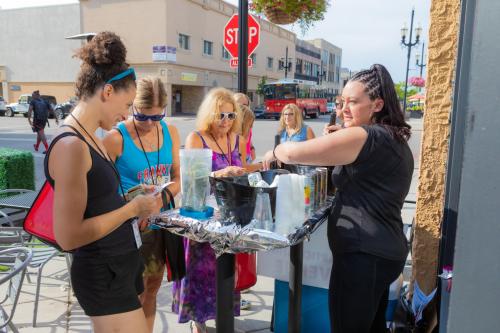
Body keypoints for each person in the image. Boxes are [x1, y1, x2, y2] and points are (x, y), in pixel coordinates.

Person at [263, 64, 413, 332]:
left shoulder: (365, 135)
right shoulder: (389, 137)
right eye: (341, 101)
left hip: (364, 257)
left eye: (353, 102)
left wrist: (276, 149)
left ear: (377, 104)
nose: (343, 108)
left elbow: (294, 153)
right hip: (381, 253)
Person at [45, 31, 162, 333]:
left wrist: (133, 201)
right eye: (127, 103)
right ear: (108, 91)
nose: (127, 114)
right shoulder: (72, 145)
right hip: (103, 274)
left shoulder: (90, 138)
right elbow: (68, 237)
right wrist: (131, 209)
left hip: (117, 268)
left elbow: (96, 204)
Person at [172, 87, 261, 333]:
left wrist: (247, 171)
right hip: (202, 217)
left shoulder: (235, 139)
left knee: (225, 272)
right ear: (210, 114)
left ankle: (224, 319)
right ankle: (197, 322)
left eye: (231, 116)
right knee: (199, 273)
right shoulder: (196, 138)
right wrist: (218, 174)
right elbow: (190, 182)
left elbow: (241, 171)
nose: (226, 121)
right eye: (221, 115)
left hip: (227, 218)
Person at [103, 77, 184, 332]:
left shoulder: (170, 132)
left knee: (151, 289)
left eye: (157, 117)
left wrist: (159, 200)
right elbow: (100, 192)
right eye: (143, 117)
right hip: (127, 230)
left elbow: (178, 178)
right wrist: (133, 202)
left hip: (159, 228)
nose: (150, 124)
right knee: (129, 297)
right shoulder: (115, 138)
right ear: (131, 107)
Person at [234, 92, 256, 162]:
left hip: (248, 156)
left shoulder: (247, 119)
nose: (242, 107)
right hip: (237, 156)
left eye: (245, 105)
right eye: (238, 104)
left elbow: (248, 136)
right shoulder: (229, 122)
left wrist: (252, 148)